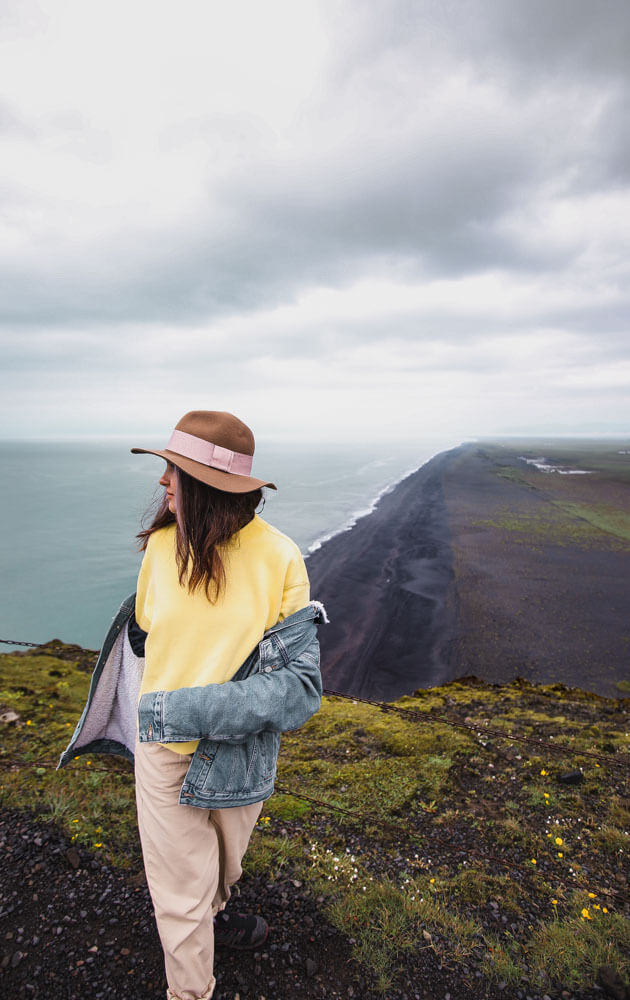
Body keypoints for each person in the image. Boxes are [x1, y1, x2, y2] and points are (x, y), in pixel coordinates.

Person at [60, 409, 324, 1000]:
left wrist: (182, 710)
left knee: (224, 872)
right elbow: (150, 636)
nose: (162, 483)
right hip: (162, 755)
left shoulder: (280, 557)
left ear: (204, 485)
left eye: (173, 471)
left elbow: (301, 688)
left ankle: (214, 915)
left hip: (239, 755)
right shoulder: (159, 547)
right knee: (179, 894)